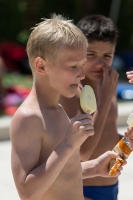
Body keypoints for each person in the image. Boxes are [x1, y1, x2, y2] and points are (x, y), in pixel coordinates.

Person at [10, 14, 124, 200]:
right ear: (41, 66)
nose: (81, 74)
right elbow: (27, 192)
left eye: (81, 65)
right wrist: (68, 145)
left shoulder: (58, 111)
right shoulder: (29, 117)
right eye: (73, 66)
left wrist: (93, 167)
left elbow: (60, 174)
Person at [59, 14, 121, 200]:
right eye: (91, 55)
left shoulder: (107, 85)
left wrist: (126, 140)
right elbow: (83, 152)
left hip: (110, 183)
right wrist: (104, 100)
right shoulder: (70, 93)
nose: (99, 63)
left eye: (107, 56)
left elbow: (107, 135)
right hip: (82, 187)